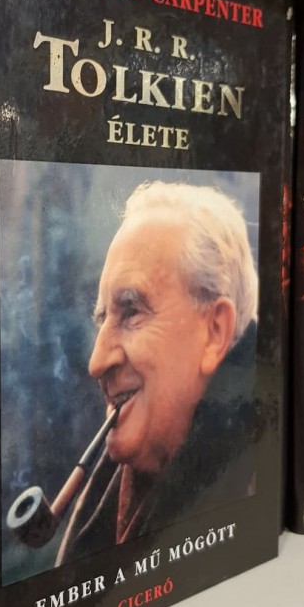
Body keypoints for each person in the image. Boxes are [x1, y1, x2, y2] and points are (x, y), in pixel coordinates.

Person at [55, 180, 259, 566]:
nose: (97, 362)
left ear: (215, 332)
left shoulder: (254, 484)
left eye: (131, 311)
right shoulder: (126, 476)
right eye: (102, 318)